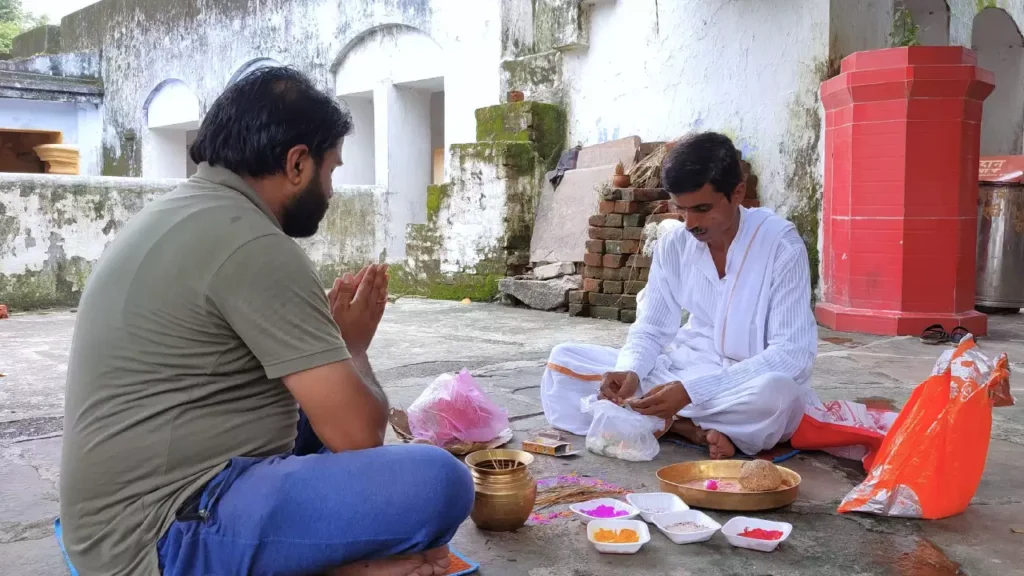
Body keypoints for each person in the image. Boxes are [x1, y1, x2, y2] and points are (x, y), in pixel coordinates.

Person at [59, 67, 473, 576]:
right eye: (331, 170)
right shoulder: (255, 244)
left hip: (110, 525)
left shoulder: (183, 213)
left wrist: (323, 346)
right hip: (160, 537)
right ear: (297, 163)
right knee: (441, 481)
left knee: (313, 412)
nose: (331, 191)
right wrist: (354, 349)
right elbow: (359, 436)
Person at [541, 132, 820, 460]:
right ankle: (683, 427)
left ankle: (654, 417)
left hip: (745, 382)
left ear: (738, 192)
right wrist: (631, 370)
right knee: (563, 362)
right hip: (683, 368)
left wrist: (692, 392)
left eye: (702, 209)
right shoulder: (674, 245)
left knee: (777, 397)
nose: (691, 224)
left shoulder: (780, 246)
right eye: (681, 209)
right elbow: (652, 329)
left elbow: (791, 355)